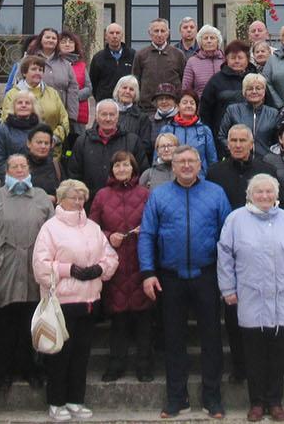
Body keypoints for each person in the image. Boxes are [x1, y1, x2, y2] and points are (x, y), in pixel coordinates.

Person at [139, 146, 233, 419]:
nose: (187, 165)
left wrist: (228, 275)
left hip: (207, 274)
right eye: (181, 162)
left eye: (192, 161)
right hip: (171, 277)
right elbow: (147, 234)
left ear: (200, 164)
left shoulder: (215, 193)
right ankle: (176, 398)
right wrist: (148, 272)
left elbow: (228, 236)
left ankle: (212, 397)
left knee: (211, 339)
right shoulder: (159, 195)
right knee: (173, 339)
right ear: (173, 166)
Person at [217, 173, 284, 422]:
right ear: (250, 195)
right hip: (251, 297)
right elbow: (225, 257)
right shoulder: (236, 220)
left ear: (276, 195)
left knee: (278, 354)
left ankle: (275, 401)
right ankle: (257, 402)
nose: (264, 196)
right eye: (259, 192)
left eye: (269, 191)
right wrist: (228, 289)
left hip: (283, 297)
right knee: (254, 354)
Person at [33, 179, 119, 421]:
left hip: (89, 299)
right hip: (62, 302)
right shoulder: (50, 228)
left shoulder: (93, 227)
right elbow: (40, 266)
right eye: (74, 198)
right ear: (61, 199)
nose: (79, 202)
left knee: (82, 355)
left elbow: (110, 257)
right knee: (60, 355)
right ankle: (56, 401)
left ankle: (75, 399)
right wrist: (68, 269)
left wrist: (99, 269)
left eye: (82, 198)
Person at [0, 153, 53, 391]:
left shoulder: (41, 197)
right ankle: (3, 372)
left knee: (30, 321)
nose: (19, 170)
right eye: (14, 167)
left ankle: (31, 369)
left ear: (29, 170)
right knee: (5, 323)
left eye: (23, 166)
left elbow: (53, 232)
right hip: (6, 269)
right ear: (7, 171)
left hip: (32, 269)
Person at [206, 124, 276, 384]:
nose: (237, 145)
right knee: (233, 312)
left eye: (242, 140)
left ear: (251, 143)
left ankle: (264, 365)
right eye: (233, 140)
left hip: (261, 251)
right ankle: (240, 366)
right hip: (228, 250)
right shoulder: (215, 172)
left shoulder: (266, 170)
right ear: (227, 144)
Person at [88, 151, 154, 382]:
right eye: (117, 166)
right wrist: (109, 236)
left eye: (125, 165)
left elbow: (155, 223)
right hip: (114, 264)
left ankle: (144, 365)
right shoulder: (102, 195)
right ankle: (116, 364)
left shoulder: (145, 194)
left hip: (140, 261)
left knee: (144, 319)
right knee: (118, 320)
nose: (121, 169)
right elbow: (92, 228)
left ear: (133, 168)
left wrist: (144, 230)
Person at [69, 99, 145, 195]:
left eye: (112, 115)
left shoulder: (132, 141)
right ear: (96, 117)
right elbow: (74, 174)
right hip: (90, 200)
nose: (108, 119)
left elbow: (141, 173)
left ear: (117, 117)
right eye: (104, 114)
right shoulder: (82, 141)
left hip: (125, 199)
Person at [1, 55, 70, 151]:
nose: (38, 72)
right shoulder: (12, 94)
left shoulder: (52, 93)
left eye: (40, 70)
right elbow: (6, 122)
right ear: (24, 73)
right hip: (22, 151)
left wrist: (53, 139)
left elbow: (64, 120)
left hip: (51, 151)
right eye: (33, 69)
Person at [199, 39, 250, 150]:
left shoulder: (255, 78)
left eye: (240, 58)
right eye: (233, 58)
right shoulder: (216, 81)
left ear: (247, 59)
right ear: (226, 59)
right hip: (222, 137)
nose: (237, 61)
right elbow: (205, 111)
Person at [218, 74, 279, 156]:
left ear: (264, 91)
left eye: (258, 88)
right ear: (244, 92)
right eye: (250, 89)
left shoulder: (273, 113)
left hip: (265, 160)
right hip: (238, 159)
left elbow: (278, 140)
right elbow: (222, 136)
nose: (254, 91)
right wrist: (235, 150)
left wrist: (271, 156)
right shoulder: (233, 110)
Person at [0, 90, 43, 177]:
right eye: (20, 103)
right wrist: (18, 179)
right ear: (13, 106)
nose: (23, 105)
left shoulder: (42, 129)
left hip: (40, 180)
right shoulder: (2, 130)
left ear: (33, 107)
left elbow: (47, 159)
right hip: (12, 181)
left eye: (27, 103)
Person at [164, 89, 217, 167]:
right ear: (177, 106)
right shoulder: (167, 129)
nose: (189, 106)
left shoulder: (205, 130)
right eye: (185, 103)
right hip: (173, 173)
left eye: (192, 103)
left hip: (199, 173)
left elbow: (212, 159)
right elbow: (158, 157)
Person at [135, 19, 186, 100]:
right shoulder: (141, 55)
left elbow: (184, 81)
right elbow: (136, 81)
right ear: (149, 33)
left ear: (168, 33)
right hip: (147, 105)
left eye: (162, 31)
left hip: (172, 103)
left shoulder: (178, 54)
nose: (159, 34)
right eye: (156, 31)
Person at [89, 23, 135, 107]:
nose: (114, 36)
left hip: (127, 103)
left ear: (122, 36)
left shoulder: (132, 55)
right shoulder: (98, 58)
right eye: (111, 33)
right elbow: (93, 83)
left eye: (117, 33)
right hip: (105, 103)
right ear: (106, 36)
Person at [56, 29, 93, 132]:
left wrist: (72, 96)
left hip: (78, 114)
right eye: (63, 42)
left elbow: (88, 88)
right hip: (57, 111)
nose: (67, 44)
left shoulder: (81, 65)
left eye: (71, 42)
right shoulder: (53, 65)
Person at [181, 24, 224, 98]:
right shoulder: (192, 62)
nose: (209, 41)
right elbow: (186, 89)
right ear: (200, 42)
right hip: (201, 104)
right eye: (205, 38)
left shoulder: (225, 60)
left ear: (218, 41)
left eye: (212, 38)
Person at [114, 76, 153, 147]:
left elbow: (145, 145)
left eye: (131, 89)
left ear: (135, 94)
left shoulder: (142, 118)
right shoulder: (106, 112)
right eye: (124, 88)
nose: (127, 91)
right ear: (118, 90)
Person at [25, 127, 63, 199]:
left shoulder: (56, 166)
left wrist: (55, 199)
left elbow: (64, 193)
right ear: (29, 143)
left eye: (46, 143)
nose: (43, 146)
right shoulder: (19, 166)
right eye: (39, 142)